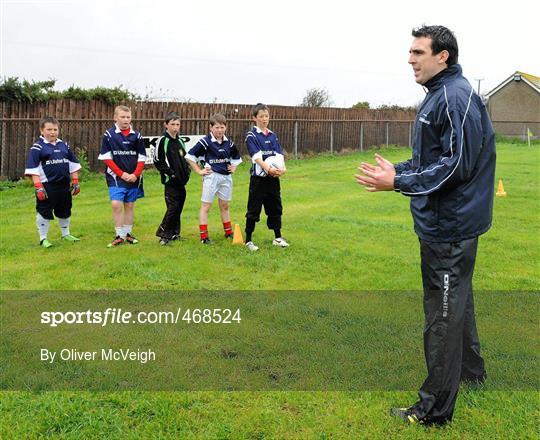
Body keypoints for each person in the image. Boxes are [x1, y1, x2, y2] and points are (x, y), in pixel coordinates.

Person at [355, 25, 496, 426]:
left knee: (443, 315)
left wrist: (397, 182)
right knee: (457, 304)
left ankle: (433, 410)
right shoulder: (439, 96)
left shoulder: (454, 97)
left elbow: (455, 165)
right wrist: (397, 170)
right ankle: (471, 373)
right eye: (410, 52)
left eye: (418, 52)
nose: (410, 59)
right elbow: (431, 160)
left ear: (443, 56)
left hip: (450, 226)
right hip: (445, 223)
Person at [24, 116, 82, 248]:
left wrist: (75, 181)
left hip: (64, 185)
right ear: (42, 130)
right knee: (44, 211)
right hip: (47, 187)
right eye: (49, 129)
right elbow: (33, 170)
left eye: (55, 129)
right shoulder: (37, 148)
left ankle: (66, 234)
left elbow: (73, 164)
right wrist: (38, 187)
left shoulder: (64, 145)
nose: (52, 132)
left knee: (65, 210)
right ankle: (43, 238)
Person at [185, 113, 242, 244]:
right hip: (211, 177)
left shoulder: (229, 142)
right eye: (217, 127)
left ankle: (228, 233)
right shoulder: (205, 141)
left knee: (225, 206)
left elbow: (237, 158)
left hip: (226, 178)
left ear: (226, 127)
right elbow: (189, 156)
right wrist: (199, 171)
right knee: (206, 206)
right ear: (211, 127)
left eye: (222, 127)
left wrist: (234, 167)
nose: (220, 130)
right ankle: (204, 237)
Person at [98, 105, 146, 247]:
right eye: (123, 117)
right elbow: (106, 158)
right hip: (116, 177)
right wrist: (122, 174)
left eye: (128, 117)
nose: (126, 120)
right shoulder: (109, 135)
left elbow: (142, 157)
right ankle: (119, 235)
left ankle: (128, 234)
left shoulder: (136, 135)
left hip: (133, 177)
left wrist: (135, 174)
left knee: (129, 205)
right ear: (115, 118)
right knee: (116, 204)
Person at [244, 103, 289, 251]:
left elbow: (279, 154)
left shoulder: (272, 135)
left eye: (266, 116)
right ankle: (248, 240)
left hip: (273, 179)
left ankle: (277, 237)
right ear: (254, 118)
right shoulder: (251, 136)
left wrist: (282, 169)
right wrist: (268, 169)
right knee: (254, 209)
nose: (264, 119)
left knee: (275, 207)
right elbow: (256, 157)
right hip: (259, 179)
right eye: (261, 116)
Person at [153, 112, 191, 245]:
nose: (175, 127)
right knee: (173, 207)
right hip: (171, 181)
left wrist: (187, 172)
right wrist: (171, 174)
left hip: (181, 182)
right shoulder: (163, 140)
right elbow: (158, 161)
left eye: (177, 124)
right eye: (172, 124)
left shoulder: (180, 141)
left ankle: (175, 233)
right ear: (166, 125)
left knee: (179, 207)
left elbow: (184, 158)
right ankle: (164, 235)